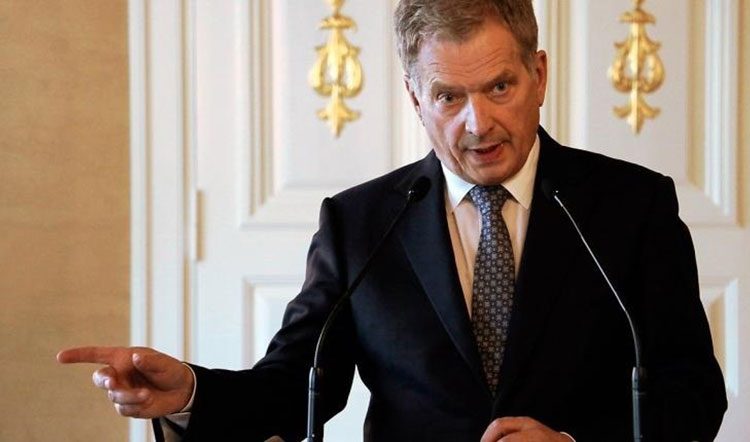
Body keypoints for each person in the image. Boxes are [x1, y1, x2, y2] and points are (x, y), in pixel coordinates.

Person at [58, 1, 727, 440]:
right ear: (415, 97)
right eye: (448, 96)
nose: (478, 122)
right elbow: (298, 386)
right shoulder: (360, 223)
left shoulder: (632, 206)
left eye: (500, 86)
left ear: (539, 75)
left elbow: (693, 392)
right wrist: (191, 392)